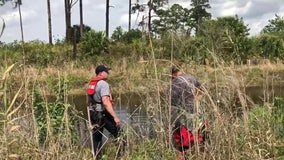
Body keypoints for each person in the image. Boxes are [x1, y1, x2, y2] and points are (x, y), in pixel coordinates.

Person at [86, 65, 121, 159]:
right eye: (106, 71)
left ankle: (98, 157)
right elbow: (106, 102)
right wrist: (115, 117)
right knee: (118, 133)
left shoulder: (91, 83)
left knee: (97, 138)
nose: (108, 73)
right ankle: (120, 155)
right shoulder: (103, 84)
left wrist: (90, 117)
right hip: (102, 114)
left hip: (93, 114)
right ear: (101, 73)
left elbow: (87, 102)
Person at [170, 66, 205, 159]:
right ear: (180, 71)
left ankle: (183, 155)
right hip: (196, 113)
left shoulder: (174, 83)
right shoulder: (191, 78)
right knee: (197, 138)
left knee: (182, 143)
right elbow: (202, 91)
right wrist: (195, 101)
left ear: (172, 75)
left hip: (182, 115)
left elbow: (172, 103)